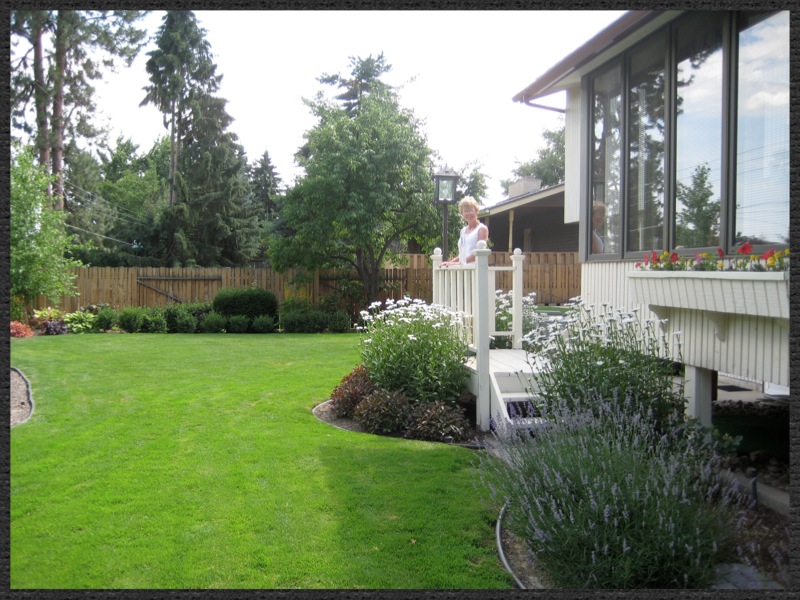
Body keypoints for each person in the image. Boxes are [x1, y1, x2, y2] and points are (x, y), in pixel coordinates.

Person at [442, 196, 489, 267]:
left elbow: (479, 253)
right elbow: (462, 255)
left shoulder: (482, 229)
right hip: (462, 270)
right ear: (462, 214)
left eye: (471, 210)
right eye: (465, 211)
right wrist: (449, 263)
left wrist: (460, 262)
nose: (468, 213)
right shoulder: (463, 231)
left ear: (476, 211)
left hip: (475, 270)